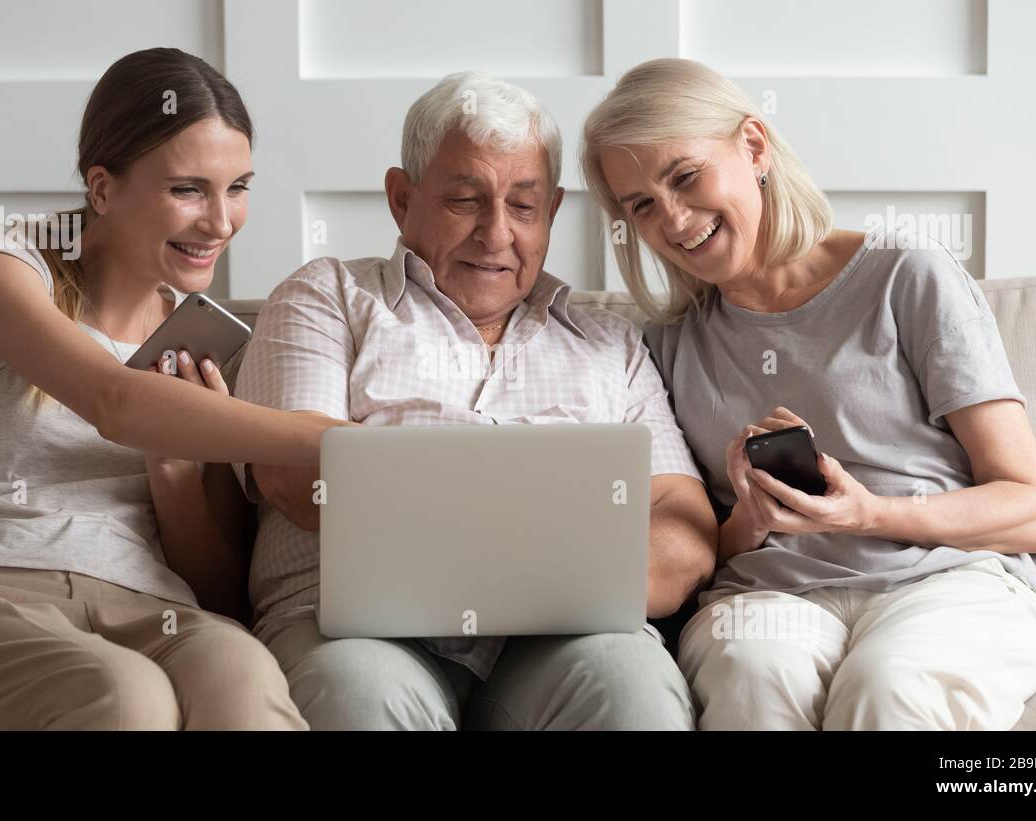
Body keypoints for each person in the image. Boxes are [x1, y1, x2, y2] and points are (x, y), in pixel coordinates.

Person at [0, 48, 347, 731]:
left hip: (149, 608)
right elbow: (112, 399)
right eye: (189, 188)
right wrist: (338, 439)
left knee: (242, 672)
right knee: (128, 697)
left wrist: (175, 476)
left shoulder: (203, 350)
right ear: (101, 187)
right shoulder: (1, 265)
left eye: (237, 186)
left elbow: (217, 591)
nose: (221, 221)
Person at [580, 57, 1036, 730]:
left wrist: (867, 513)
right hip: (769, 597)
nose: (675, 219)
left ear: (753, 146)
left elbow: (1034, 511)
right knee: (752, 674)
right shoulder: (666, 346)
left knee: (888, 684)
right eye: (643, 206)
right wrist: (751, 514)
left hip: (942, 584)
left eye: (684, 177)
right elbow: (701, 549)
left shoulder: (907, 277)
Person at [232, 71, 718, 730]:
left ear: (551, 211)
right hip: (356, 632)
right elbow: (299, 476)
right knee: (360, 694)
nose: (496, 234)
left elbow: (682, 530)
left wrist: (523, 575)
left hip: (558, 636)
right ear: (401, 199)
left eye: (524, 206)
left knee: (632, 685)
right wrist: (549, 541)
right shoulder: (327, 297)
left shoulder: (610, 344)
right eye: (465, 199)